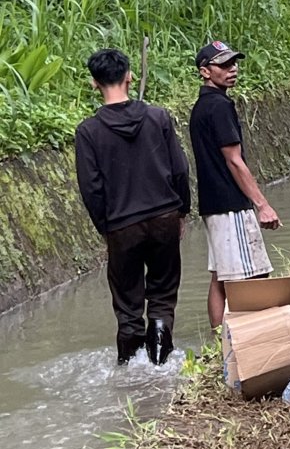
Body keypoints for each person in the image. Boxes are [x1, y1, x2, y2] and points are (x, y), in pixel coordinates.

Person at [74, 47, 191, 365]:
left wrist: (106, 228)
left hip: (122, 225)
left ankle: (129, 373)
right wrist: (182, 212)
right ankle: (159, 366)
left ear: (94, 84)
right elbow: (180, 169)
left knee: (127, 306)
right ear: (129, 76)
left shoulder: (88, 131)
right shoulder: (158, 117)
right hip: (165, 215)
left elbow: (91, 188)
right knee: (162, 297)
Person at [189, 41, 279, 327]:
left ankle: (220, 343)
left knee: (221, 276)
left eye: (233, 63)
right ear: (205, 71)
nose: (232, 69)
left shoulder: (202, 106)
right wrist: (262, 205)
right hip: (230, 205)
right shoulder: (218, 107)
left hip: (213, 204)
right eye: (224, 65)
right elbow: (235, 161)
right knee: (254, 276)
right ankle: (254, 336)